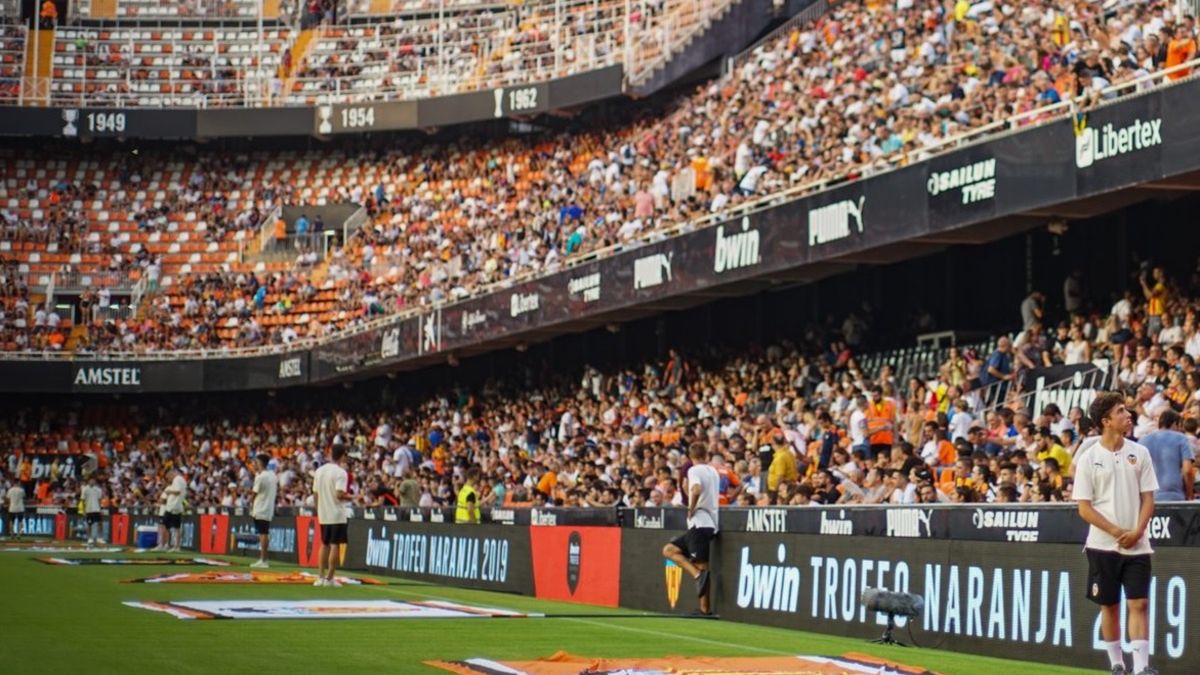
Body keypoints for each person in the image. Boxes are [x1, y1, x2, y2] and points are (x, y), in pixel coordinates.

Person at [1074, 392, 1158, 675]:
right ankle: (1117, 664)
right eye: (1121, 411)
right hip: (1101, 545)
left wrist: (1136, 531)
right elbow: (1083, 508)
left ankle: (1142, 668)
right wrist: (1114, 530)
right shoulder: (1089, 459)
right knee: (1109, 606)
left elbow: (1148, 498)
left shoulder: (1140, 452)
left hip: (1138, 544)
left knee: (1140, 602)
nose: (1128, 415)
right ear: (1106, 421)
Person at [661, 442, 720, 617]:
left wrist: (691, 508)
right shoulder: (713, 471)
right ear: (706, 455)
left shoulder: (694, 470)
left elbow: (696, 489)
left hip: (700, 521)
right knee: (669, 550)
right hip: (708, 522)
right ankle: (697, 576)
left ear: (691, 457)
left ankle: (705, 610)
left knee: (702, 566)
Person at [313, 444, 350, 587]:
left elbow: (315, 494)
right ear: (343, 455)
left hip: (324, 513)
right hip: (337, 514)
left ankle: (321, 577)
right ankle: (330, 579)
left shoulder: (319, 471)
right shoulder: (341, 473)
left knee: (324, 544)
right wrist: (354, 497)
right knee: (335, 545)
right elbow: (339, 494)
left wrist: (318, 510)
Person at [1140, 410, 1194, 502]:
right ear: (1174, 424)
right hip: (1175, 496)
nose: (1181, 430)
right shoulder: (1181, 438)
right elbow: (1187, 470)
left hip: (1148, 498)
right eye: (1180, 426)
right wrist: (1190, 495)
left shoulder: (1143, 440)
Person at [250, 454, 278, 568]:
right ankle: (263, 559)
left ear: (260, 463)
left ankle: (264, 560)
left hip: (260, 508)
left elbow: (254, 493)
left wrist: (250, 503)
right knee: (264, 533)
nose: (254, 464)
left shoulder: (260, 477)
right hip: (268, 507)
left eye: (256, 462)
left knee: (263, 534)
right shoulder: (272, 475)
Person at [158, 469, 187, 552]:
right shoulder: (181, 480)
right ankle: (176, 547)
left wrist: (169, 491)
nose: (169, 479)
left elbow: (178, 492)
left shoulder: (177, 479)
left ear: (171, 474)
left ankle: (164, 545)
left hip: (172, 506)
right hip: (177, 506)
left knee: (164, 525)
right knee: (177, 527)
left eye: (168, 477)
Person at [80, 477, 104, 545]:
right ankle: (89, 538)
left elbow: (99, 500)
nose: (92, 481)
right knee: (89, 524)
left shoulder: (98, 490)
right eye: (91, 480)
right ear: (88, 481)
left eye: (93, 480)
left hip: (96, 509)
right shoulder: (84, 489)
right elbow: (83, 500)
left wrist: (100, 509)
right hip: (88, 509)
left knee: (100, 523)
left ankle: (100, 538)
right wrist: (84, 510)